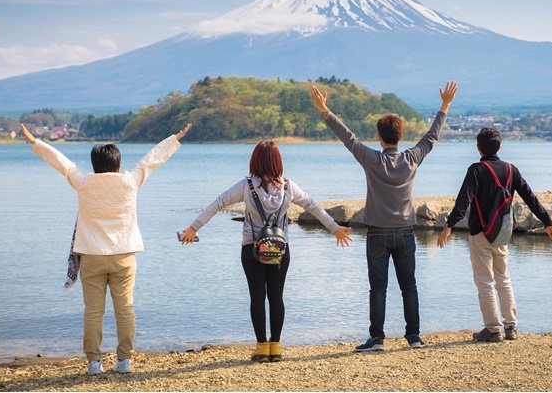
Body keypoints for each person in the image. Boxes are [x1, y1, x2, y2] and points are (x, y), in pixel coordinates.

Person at [20, 122, 192, 375]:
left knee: (93, 311)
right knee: (125, 309)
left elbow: (62, 163)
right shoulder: (130, 181)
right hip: (124, 256)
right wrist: (174, 138)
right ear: (118, 164)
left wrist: (36, 142)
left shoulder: (84, 182)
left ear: (95, 165)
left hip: (92, 257)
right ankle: (124, 361)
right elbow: (151, 160)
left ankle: (94, 363)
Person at [309, 81, 458, 351]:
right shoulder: (412, 158)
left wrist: (325, 111)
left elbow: (348, 138)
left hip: (377, 232)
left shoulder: (372, 159)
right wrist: (445, 105)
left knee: (378, 287)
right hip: (405, 232)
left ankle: (377, 339)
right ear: (400, 136)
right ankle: (414, 337)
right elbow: (431, 137)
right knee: (409, 286)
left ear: (380, 137)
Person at [179, 140, 353, 363]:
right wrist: (335, 228)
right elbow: (312, 206)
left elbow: (219, 203)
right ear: (278, 162)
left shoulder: (247, 186)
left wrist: (194, 227)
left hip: (252, 249)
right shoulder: (289, 186)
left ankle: (262, 347)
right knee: (276, 296)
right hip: (281, 250)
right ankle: (276, 346)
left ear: (255, 161)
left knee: (257, 297)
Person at [436, 127, 552, 342]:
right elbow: (530, 197)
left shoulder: (476, 170)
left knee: (485, 282)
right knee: (504, 278)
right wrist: (547, 222)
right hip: (502, 232)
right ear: (500, 146)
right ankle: (511, 327)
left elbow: (463, 200)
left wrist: (449, 225)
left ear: (478, 148)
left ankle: (493, 329)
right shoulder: (511, 170)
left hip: (480, 232)